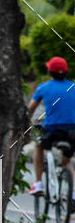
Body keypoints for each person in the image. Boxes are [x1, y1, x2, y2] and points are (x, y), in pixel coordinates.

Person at [28, 56, 75, 199]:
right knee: (67, 162)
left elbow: (30, 109)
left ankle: (38, 183)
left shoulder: (43, 87)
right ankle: (73, 194)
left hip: (52, 130)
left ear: (49, 72)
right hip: (72, 131)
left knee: (38, 145)